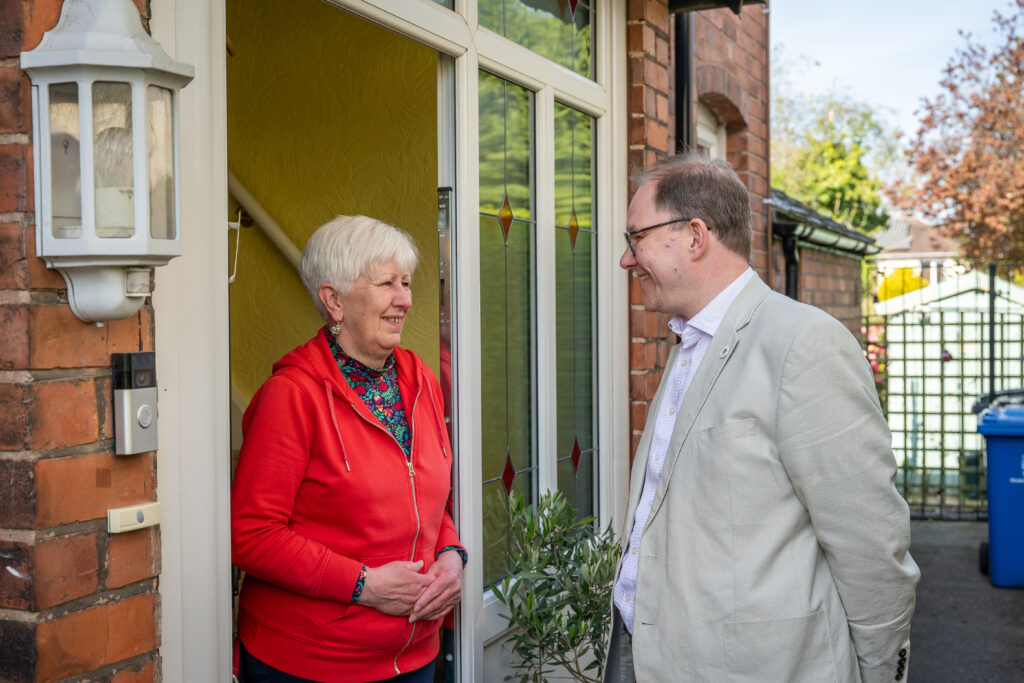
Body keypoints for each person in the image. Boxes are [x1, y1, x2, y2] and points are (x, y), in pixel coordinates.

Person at [604, 154, 920, 683]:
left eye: (636, 237)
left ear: (695, 236)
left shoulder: (803, 344)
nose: (626, 258)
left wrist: (880, 673)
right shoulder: (689, 343)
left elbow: (871, 544)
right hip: (646, 652)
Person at [231, 215, 466, 683]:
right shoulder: (291, 395)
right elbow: (252, 535)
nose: (405, 299)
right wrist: (365, 586)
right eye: (386, 283)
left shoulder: (420, 378)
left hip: (415, 655)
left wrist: (452, 555)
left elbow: (429, 497)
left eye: (406, 282)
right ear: (334, 301)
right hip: (311, 663)